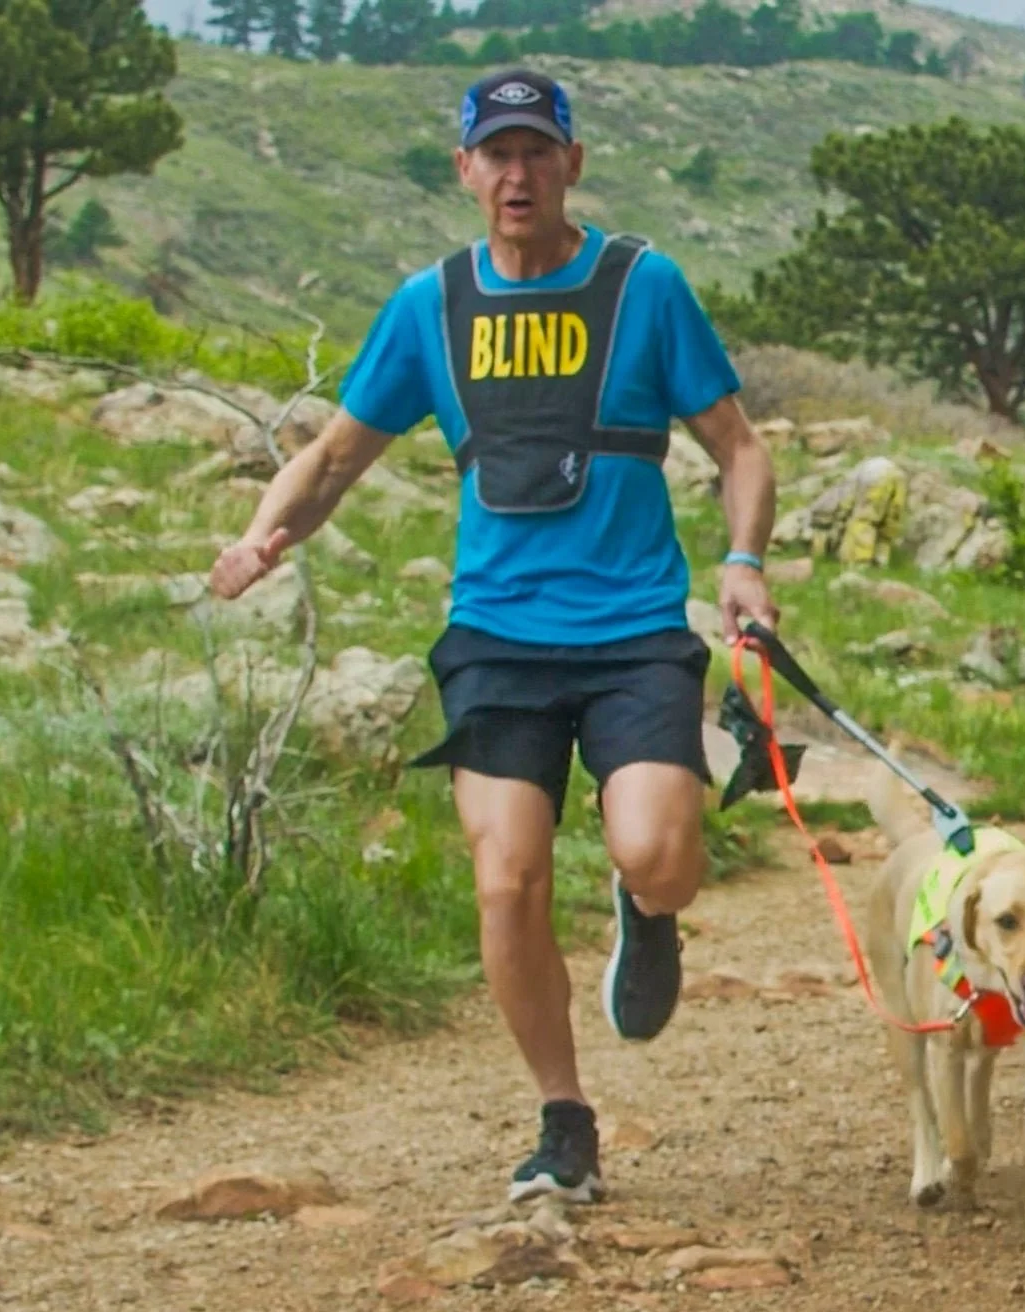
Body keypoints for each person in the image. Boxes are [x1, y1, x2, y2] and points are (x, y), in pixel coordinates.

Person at [208, 67, 778, 1206]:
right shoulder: (432, 305)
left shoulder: (642, 286)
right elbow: (332, 458)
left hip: (629, 631)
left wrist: (745, 566)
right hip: (497, 638)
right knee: (505, 879)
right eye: (495, 154)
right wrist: (267, 535)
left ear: (571, 164)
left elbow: (739, 445)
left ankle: (645, 903)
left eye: (536, 152)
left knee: (662, 850)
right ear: (465, 169)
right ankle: (564, 1120)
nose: (516, 174)